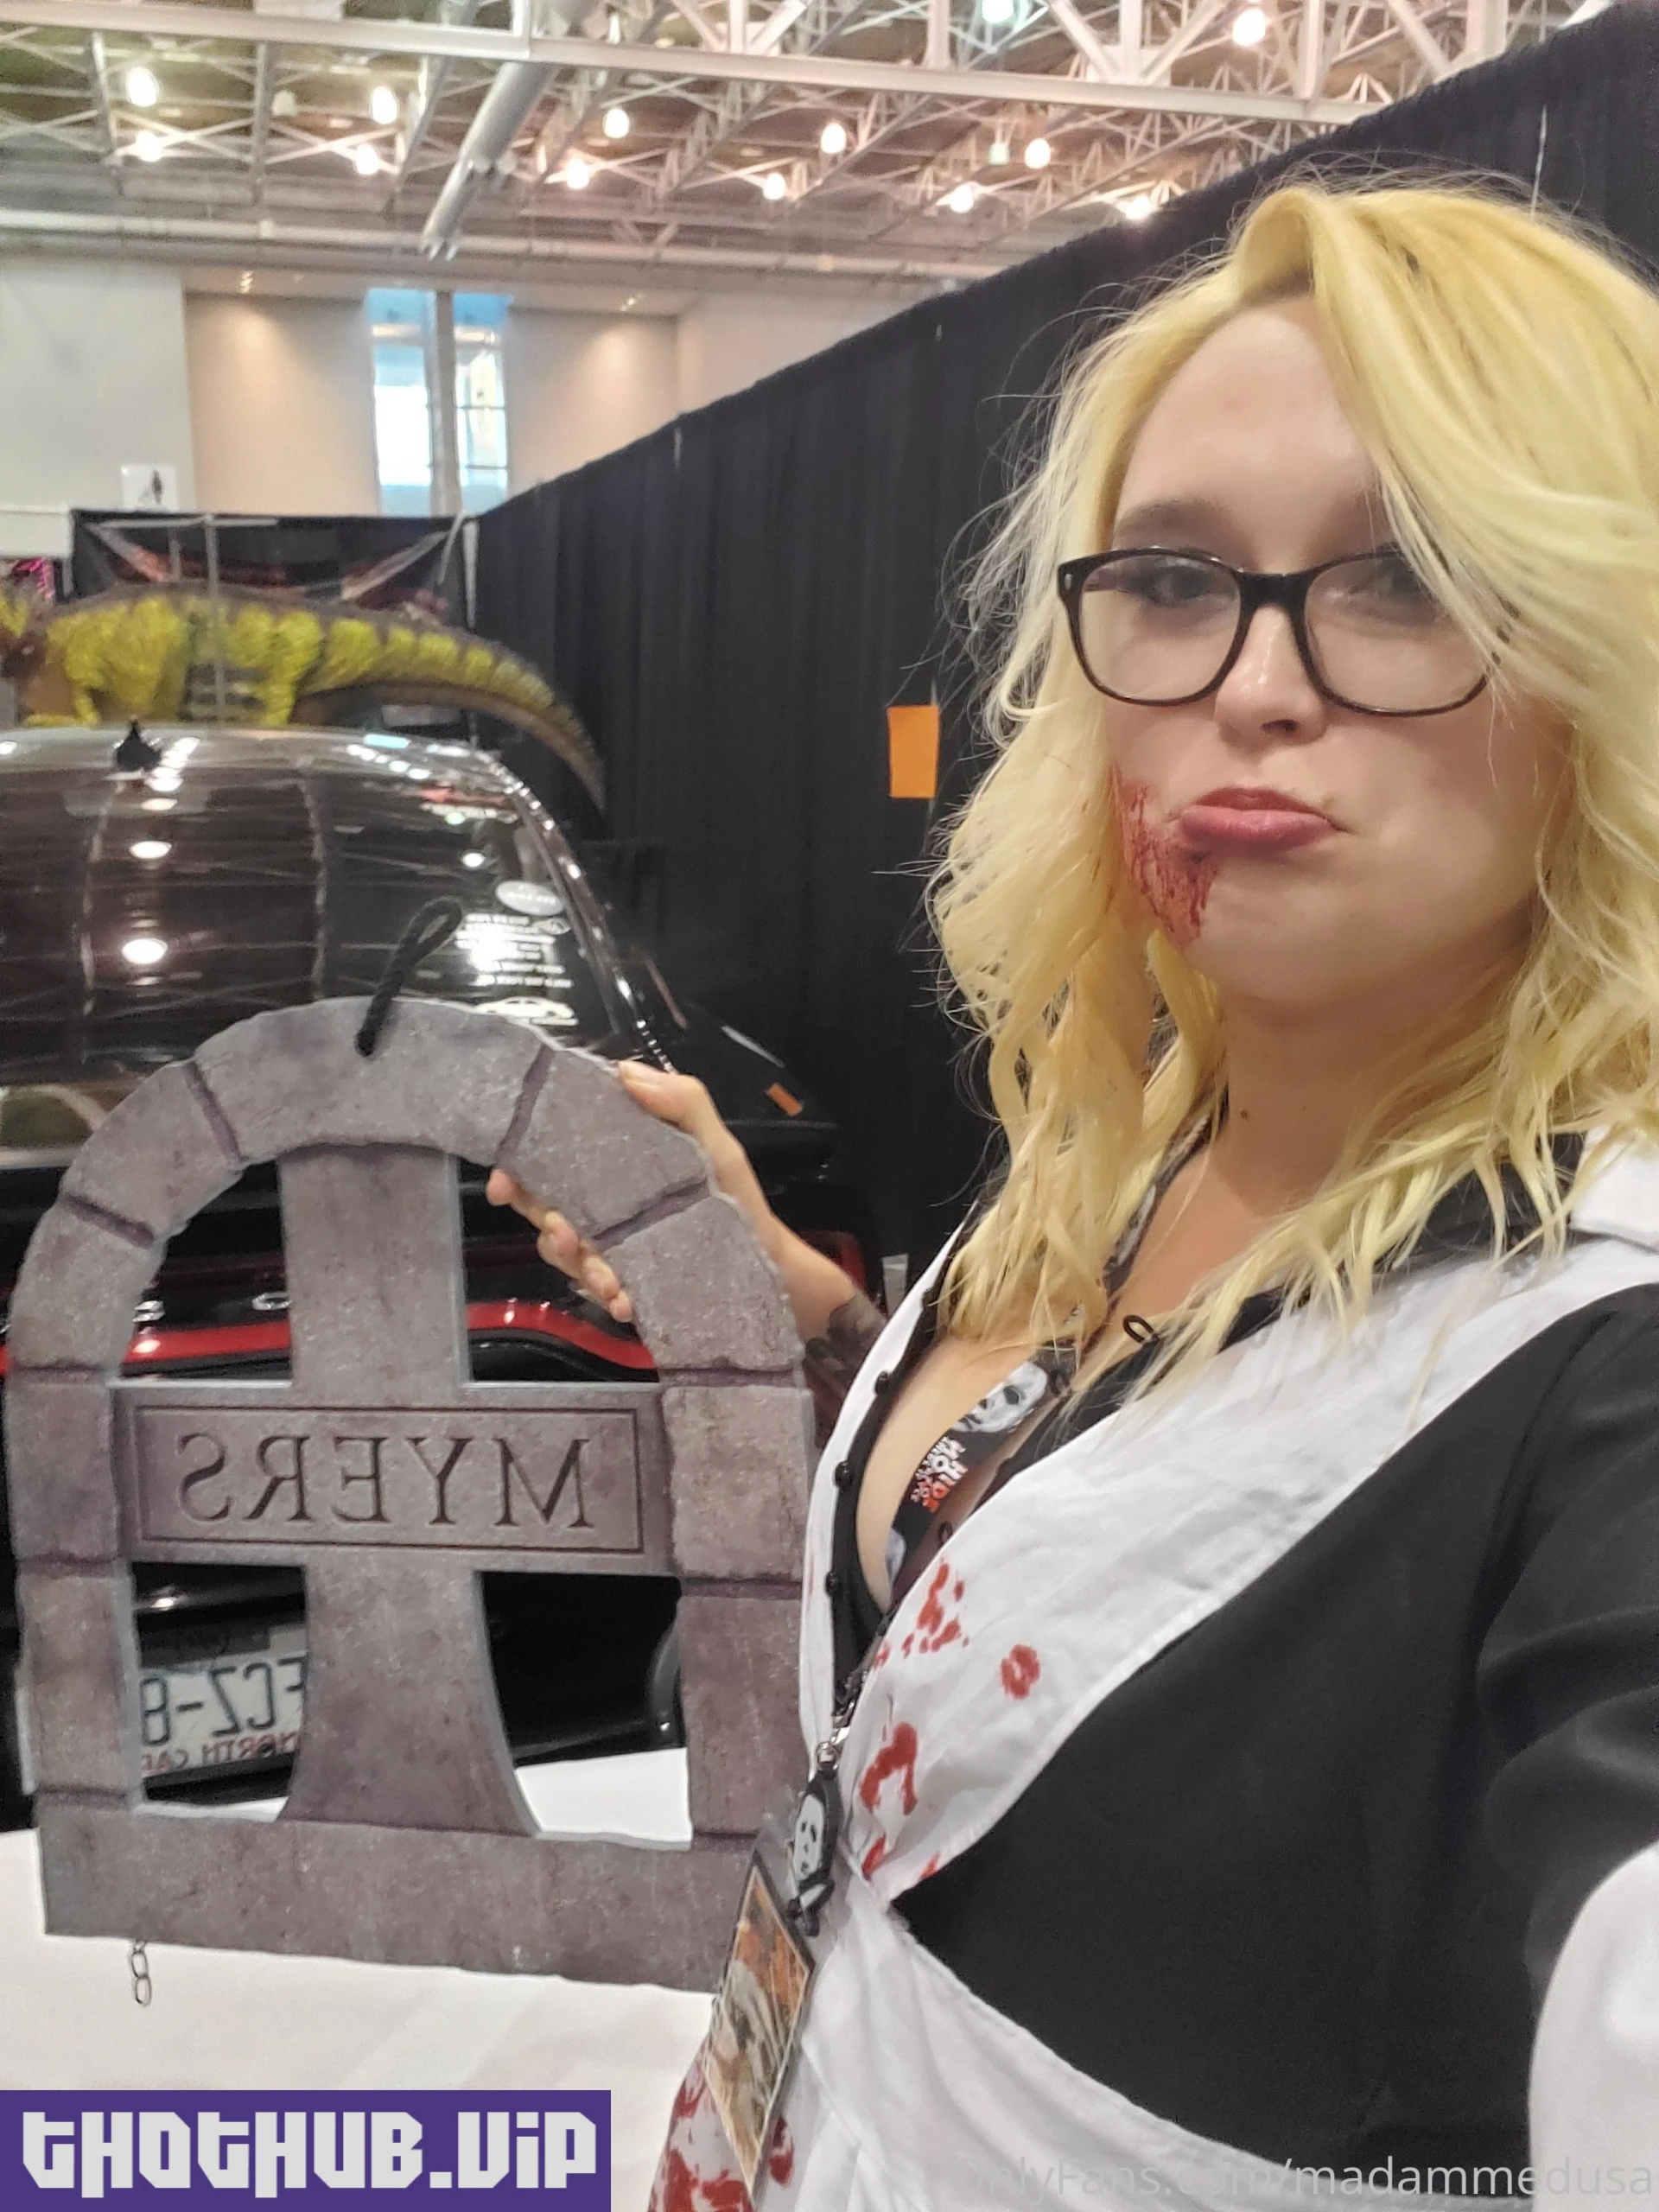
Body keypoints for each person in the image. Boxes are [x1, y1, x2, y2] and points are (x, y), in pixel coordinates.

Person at [489, 175, 1659, 2207]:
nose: (1256, 683)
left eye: (1409, 576)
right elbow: (1101, 1511)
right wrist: (805, 1314)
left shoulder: (1611, 1345)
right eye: (1180, 579)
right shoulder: (1134, 1133)